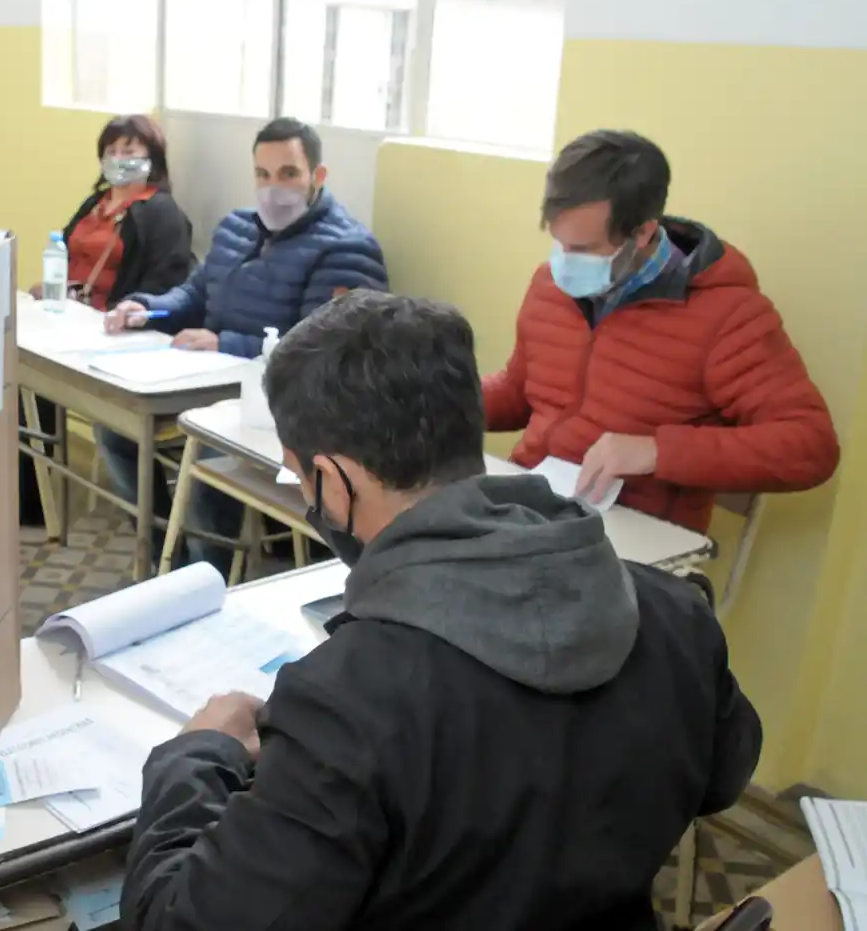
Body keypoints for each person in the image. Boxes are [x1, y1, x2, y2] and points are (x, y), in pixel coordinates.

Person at [122, 290, 763, 931]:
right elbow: (723, 775)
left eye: (301, 478)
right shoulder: (676, 611)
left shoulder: (347, 704)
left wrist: (197, 755)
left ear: (336, 481)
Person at [483, 130, 838, 532]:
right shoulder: (552, 285)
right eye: (558, 243)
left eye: (582, 249)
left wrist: (657, 451)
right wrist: (435, 397)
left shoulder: (728, 315)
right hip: (528, 512)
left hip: (631, 544)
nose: (564, 262)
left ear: (643, 233)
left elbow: (812, 447)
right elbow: (521, 392)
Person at [99, 117, 389, 570]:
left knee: (209, 468)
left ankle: (206, 577)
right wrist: (145, 307)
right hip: (202, 380)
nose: (275, 187)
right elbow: (193, 294)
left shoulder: (346, 248)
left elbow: (318, 351)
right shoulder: (237, 228)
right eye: (263, 174)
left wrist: (225, 341)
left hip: (271, 401)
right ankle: (163, 561)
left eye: (289, 174)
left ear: (318, 176)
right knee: (114, 425)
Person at [19, 114, 194, 528]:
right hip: (70, 320)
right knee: (20, 377)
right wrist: (53, 286)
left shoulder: (162, 213)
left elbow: (163, 284)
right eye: (112, 151)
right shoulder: (95, 204)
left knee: (107, 423)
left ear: (153, 159)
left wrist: (115, 310)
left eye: (130, 152)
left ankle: (155, 533)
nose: (119, 159)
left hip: (113, 333)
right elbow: (64, 250)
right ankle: (34, 502)